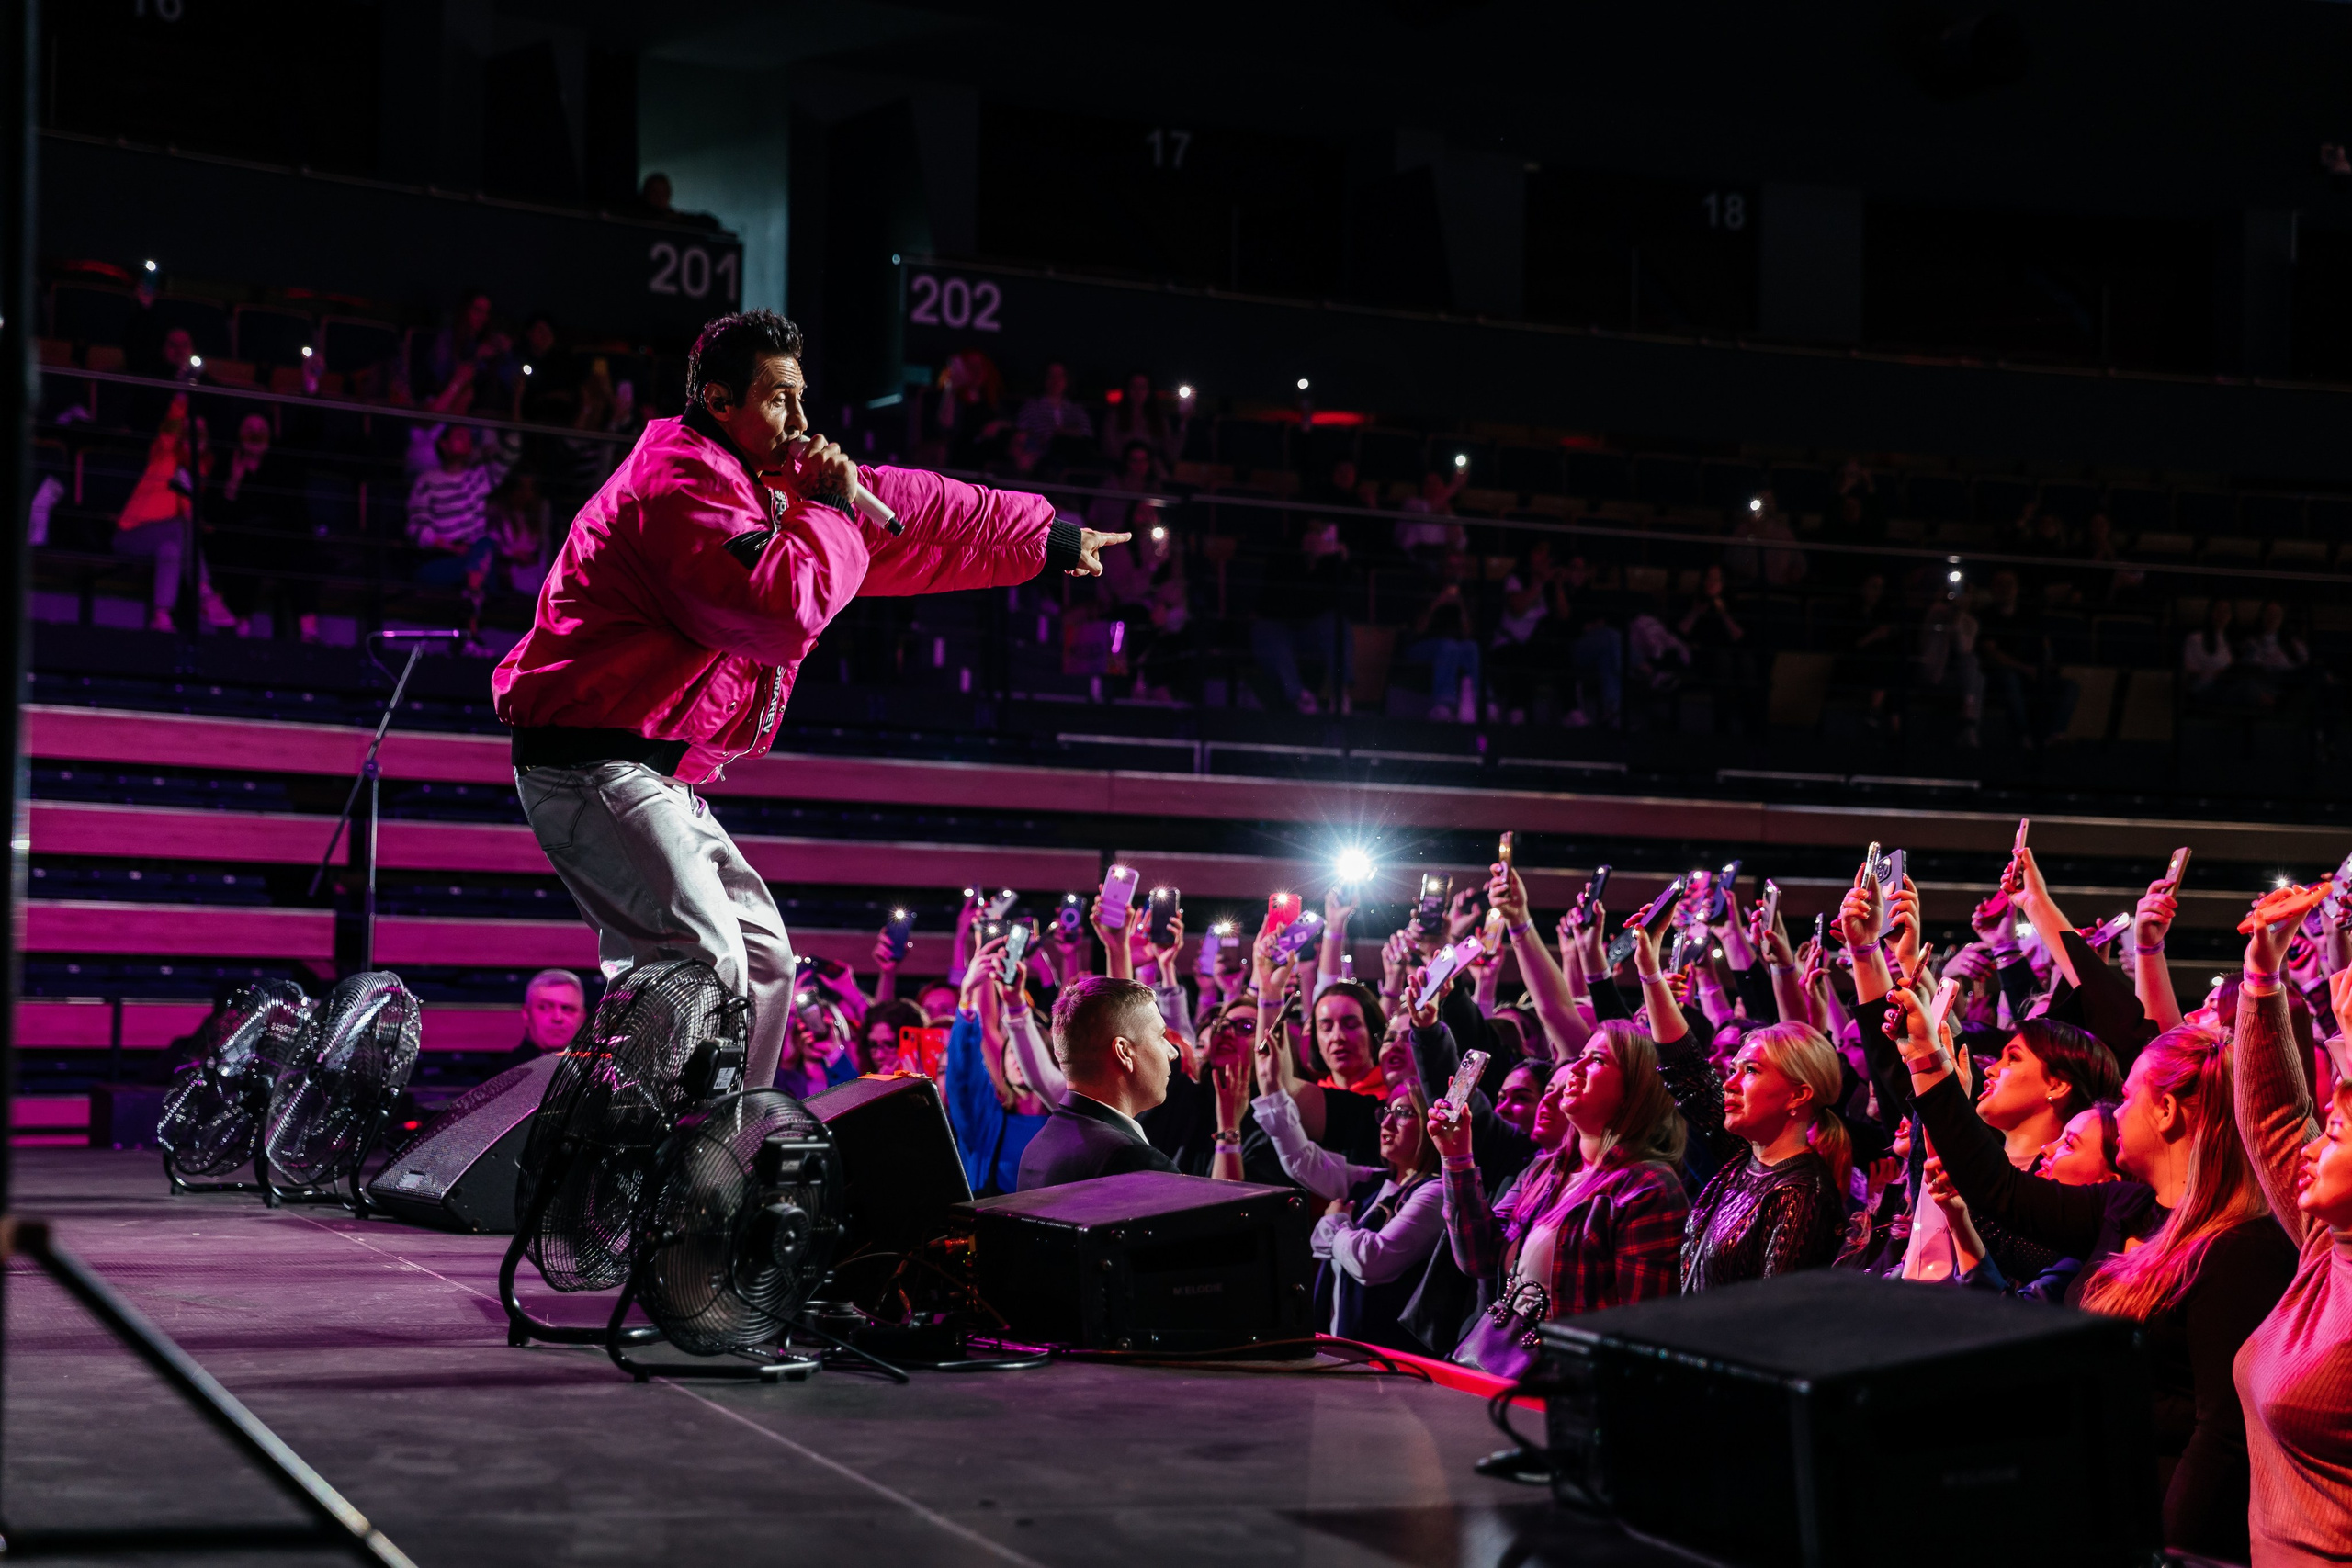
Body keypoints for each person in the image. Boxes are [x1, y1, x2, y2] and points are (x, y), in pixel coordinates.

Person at [493, 310, 1124, 1091]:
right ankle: (630, 1152)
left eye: (801, 398)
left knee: (764, 964)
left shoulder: (761, 476)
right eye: (780, 399)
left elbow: (915, 510)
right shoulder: (680, 483)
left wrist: (1050, 537)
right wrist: (830, 506)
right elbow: (786, 607)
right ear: (719, 401)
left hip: (649, 771)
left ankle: (723, 1144)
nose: (799, 420)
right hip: (588, 759)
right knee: (704, 959)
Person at [1892, 992, 2296, 1560]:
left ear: (2168, 1112)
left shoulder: (2242, 1247)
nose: (2117, 1110)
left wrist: (2170, 1552)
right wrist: (1925, 1060)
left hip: (2149, 1517)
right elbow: (1996, 1188)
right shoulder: (2125, 1207)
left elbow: (2221, 1435)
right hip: (2082, 1493)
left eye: (2129, 1097)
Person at [1431, 1021, 1689, 1375]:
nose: (1576, 1067)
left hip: (1567, 1388)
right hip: (1501, 1371)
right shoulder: (1544, 1171)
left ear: (1634, 1090)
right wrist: (1456, 1156)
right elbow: (1477, 1258)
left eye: (1596, 1060)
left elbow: (1641, 1331)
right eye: (1580, 1055)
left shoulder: (1648, 1187)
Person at [2231, 925, 2352, 1564]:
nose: (2309, 1147)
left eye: (2331, 1133)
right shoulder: (2326, 1247)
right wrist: (2261, 974)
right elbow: (2275, 1115)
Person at [1016, 976, 1183, 1190]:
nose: (1172, 1052)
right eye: (1161, 1036)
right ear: (1124, 1052)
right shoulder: (1134, 1162)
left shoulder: (1037, 1146)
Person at [408, 423, 513, 595]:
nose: (467, 441)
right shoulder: (427, 481)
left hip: (477, 554)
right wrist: (448, 546)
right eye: (460, 436)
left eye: (469, 438)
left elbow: (509, 457)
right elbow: (416, 528)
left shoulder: (479, 477)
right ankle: (473, 597)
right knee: (481, 562)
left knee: (486, 545)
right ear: (444, 443)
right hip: (442, 559)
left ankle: (472, 594)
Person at [499, 969, 587, 1068]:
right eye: (545, 1007)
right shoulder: (500, 1075)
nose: (557, 1017)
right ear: (526, 1014)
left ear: (583, 1017)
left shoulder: (600, 1073)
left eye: (566, 1008)